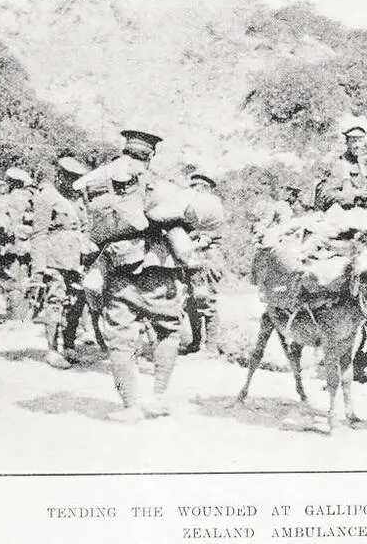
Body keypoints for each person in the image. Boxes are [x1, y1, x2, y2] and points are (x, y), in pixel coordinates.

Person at [80, 129, 187, 422]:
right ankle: (159, 397)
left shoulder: (102, 183)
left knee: (119, 339)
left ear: (125, 149)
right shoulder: (157, 186)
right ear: (150, 154)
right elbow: (181, 230)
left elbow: (92, 232)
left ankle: (130, 407)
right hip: (159, 269)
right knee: (167, 330)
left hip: (118, 270)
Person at [31, 156, 91, 369]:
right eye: (69, 177)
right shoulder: (47, 197)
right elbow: (38, 234)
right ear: (59, 175)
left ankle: (69, 345)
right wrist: (38, 269)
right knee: (55, 301)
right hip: (54, 259)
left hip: (77, 260)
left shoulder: (77, 200)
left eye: (76, 179)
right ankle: (52, 350)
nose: (72, 183)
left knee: (76, 303)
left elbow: (85, 228)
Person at [179, 163, 225, 356]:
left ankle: (212, 347)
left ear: (206, 187)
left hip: (208, 255)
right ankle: (196, 343)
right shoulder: (193, 203)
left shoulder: (212, 204)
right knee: (191, 301)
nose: (194, 187)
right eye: (193, 184)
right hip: (194, 254)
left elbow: (214, 232)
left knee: (206, 300)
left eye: (198, 184)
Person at [0, 167, 34, 321]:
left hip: (10, 245)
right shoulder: (30, 200)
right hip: (27, 246)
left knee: (12, 280)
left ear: (11, 183)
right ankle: (23, 316)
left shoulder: (8, 200)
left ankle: (15, 318)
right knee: (24, 278)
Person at [313, 126, 367, 219]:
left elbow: (363, 188)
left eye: (360, 141)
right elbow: (327, 195)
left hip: (362, 214)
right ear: (347, 143)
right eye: (353, 141)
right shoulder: (340, 165)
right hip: (342, 216)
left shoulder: (361, 165)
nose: (357, 145)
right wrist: (355, 194)